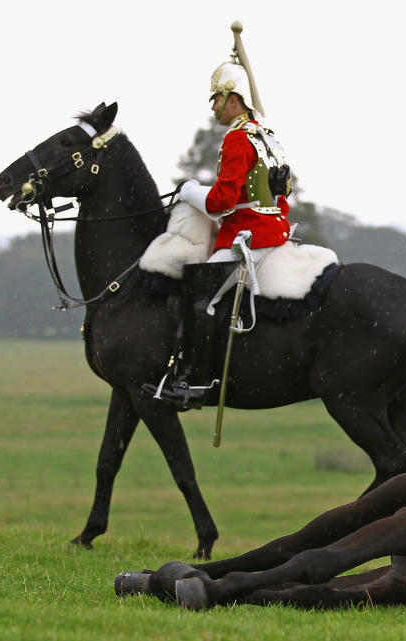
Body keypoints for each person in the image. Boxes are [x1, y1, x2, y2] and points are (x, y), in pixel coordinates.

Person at [143, 23, 292, 410]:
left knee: (200, 292)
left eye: (217, 99)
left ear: (234, 99)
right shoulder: (265, 134)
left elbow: (222, 203)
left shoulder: (239, 139)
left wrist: (188, 189)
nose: (213, 107)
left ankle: (193, 382)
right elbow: (281, 192)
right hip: (274, 226)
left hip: (250, 235)